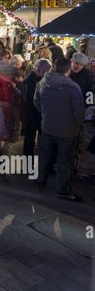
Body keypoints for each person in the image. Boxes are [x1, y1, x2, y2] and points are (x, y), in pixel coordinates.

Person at [34, 57, 85, 201]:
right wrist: (78, 125)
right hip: (67, 130)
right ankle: (62, 189)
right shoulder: (73, 87)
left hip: (47, 126)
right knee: (64, 160)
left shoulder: (42, 82)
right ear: (68, 70)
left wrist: (46, 114)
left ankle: (40, 180)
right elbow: (79, 111)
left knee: (44, 156)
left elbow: (36, 101)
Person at [20, 58, 52, 156]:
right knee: (30, 140)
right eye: (46, 72)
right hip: (33, 114)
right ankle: (29, 164)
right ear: (38, 70)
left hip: (38, 115)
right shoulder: (29, 81)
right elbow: (28, 99)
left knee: (38, 140)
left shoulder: (37, 80)